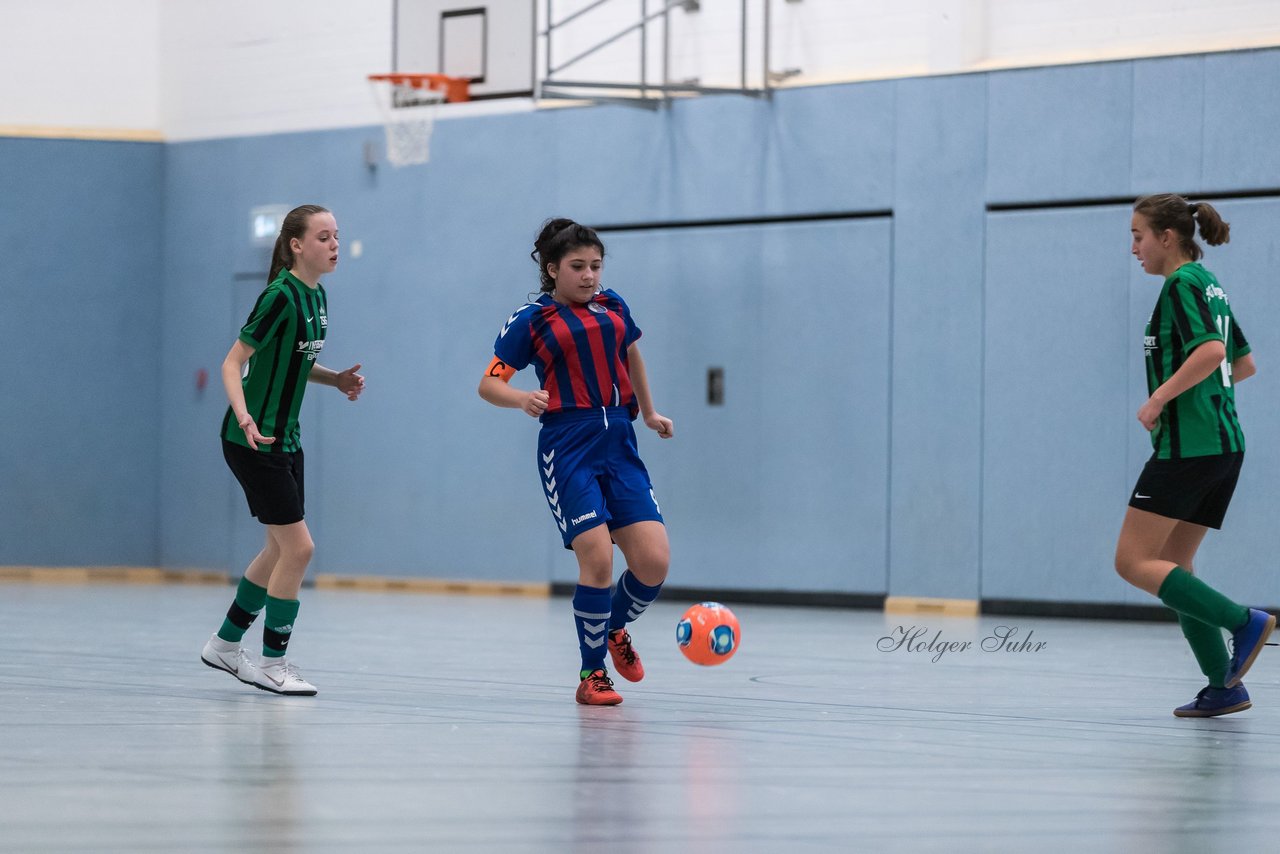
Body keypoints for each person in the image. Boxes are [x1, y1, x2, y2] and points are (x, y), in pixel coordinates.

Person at [479, 218, 674, 705]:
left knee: (653, 563)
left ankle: (612, 627)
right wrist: (521, 398)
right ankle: (592, 675)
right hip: (568, 447)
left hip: (620, 443)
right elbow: (489, 383)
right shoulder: (532, 319)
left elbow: (632, 357)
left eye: (596, 266)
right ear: (552, 269)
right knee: (598, 558)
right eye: (578, 267)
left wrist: (648, 412)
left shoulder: (613, 305)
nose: (589, 276)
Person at [1114, 194, 1273, 718]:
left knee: (1133, 562)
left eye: (1138, 236)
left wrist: (1160, 398)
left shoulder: (1181, 284)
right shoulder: (1211, 286)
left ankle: (1243, 621)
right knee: (1175, 565)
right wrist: (1202, 399)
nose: (1133, 247)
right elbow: (1243, 365)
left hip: (1192, 448)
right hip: (1224, 445)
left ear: (1167, 236)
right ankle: (1223, 687)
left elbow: (1212, 353)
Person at [200, 204, 365, 696]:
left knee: (278, 548)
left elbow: (291, 363)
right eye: (323, 237)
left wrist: (334, 378)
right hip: (251, 439)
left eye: (337, 236)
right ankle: (274, 663)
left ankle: (225, 645)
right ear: (296, 245)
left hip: (286, 439)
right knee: (300, 547)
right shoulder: (278, 296)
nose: (334, 245)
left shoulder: (318, 298)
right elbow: (234, 363)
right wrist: (243, 413)